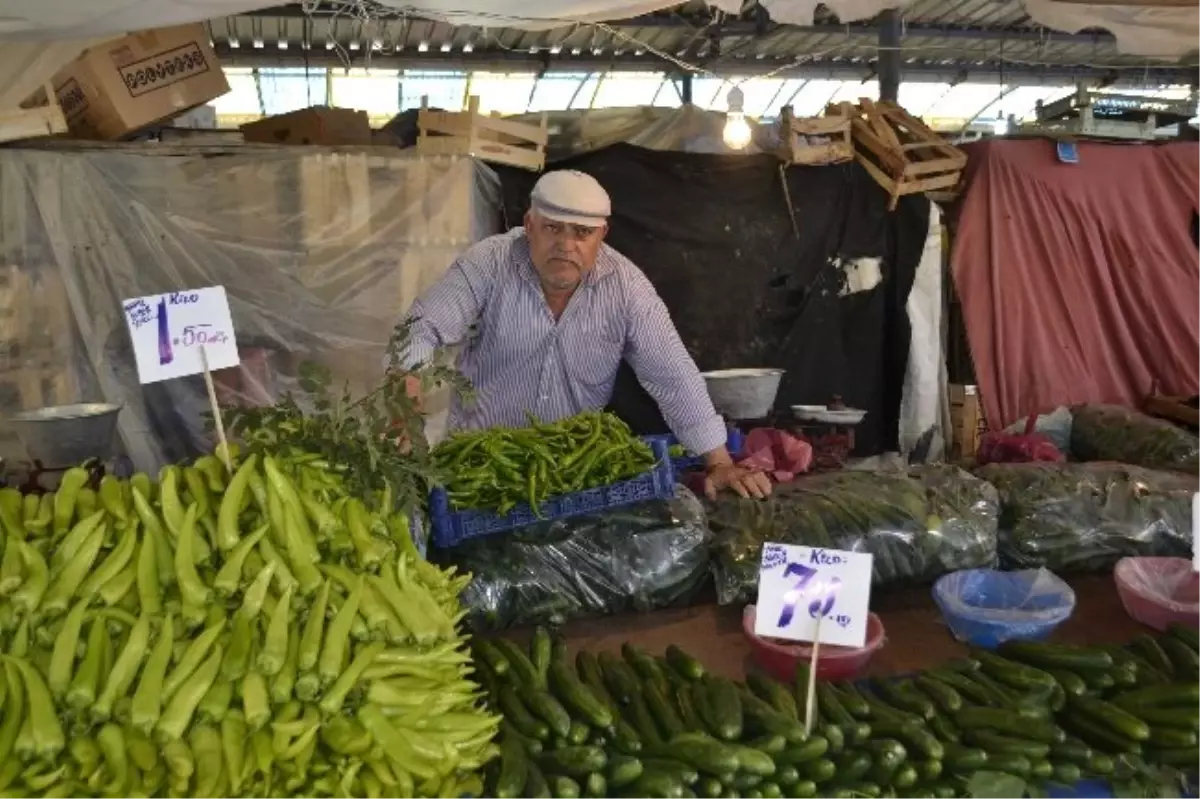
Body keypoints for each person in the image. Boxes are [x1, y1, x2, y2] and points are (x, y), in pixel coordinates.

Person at [399, 169, 771, 500]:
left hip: (572, 479)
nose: (566, 244)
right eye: (552, 228)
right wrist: (405, 405)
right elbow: (420, 329)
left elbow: (672, 373)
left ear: (602, 235)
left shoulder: (626, 287)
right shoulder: (488, 264)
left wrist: (719, 462)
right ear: (529, 225)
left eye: (582, 233)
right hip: (479, 473)